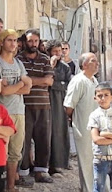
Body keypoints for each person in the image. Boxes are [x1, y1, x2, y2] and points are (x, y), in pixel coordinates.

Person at [0, 29, 32, 190]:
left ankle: (11, 186)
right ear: (2, 42)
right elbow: (3, 91)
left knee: (15, 152)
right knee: (1, 151)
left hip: (19, 111)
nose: (13, 43)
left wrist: (14, 87)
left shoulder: (18, 63)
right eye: (9, 40)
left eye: (15, 40)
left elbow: (28, 88)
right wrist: (20, 85)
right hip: (3, 112)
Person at [16, 29, 54, 184]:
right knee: (23, 140)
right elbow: (20, 79)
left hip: (43, 105)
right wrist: (40, 79)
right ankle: (23, 171)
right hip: (23, 105)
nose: (33, 44)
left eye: (36, 41)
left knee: (43, 139)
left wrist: (29, 80)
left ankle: (41, 171)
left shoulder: (45, 59)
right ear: (25, 41)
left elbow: (49, 81)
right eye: (30, 41)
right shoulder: (18, 60)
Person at [63, 52, 99, 192]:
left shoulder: (93, 80)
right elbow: (69, 106)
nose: (97, 63)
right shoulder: (78, 81)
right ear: (84, 65)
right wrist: (76, 120)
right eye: (93, 61)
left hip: (96, 128)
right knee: (86, 161)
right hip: (83, 128)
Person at [46, 40, 72, 174]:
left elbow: (68, 85)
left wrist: (54, 84)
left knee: (59, 132)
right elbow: (44, 83)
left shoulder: (65, 67)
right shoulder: (45, 65)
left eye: (59, 51)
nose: (57, 54)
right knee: (46, 134)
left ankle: (60, 163)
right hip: (45, 103)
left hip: (59, 103)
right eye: (54, 51)